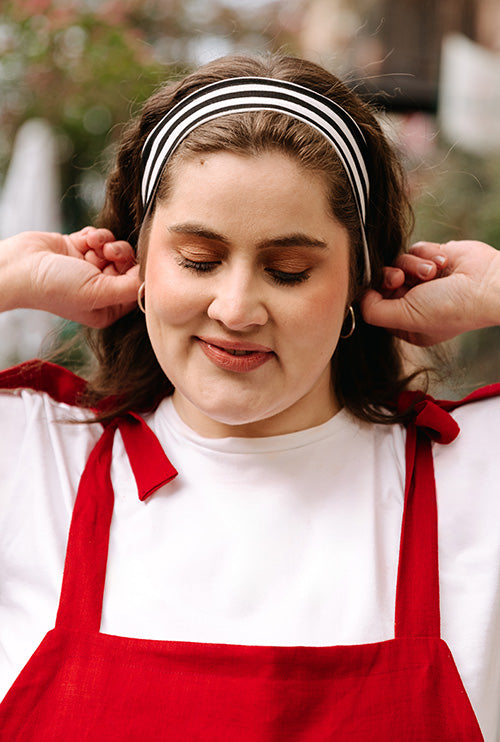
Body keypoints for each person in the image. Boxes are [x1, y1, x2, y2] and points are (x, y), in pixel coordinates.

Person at [0, 54, 499, 740]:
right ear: (138, 259)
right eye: (198, 261)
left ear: (360, 275)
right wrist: (7, 276)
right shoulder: (32, 458)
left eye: (289, 271)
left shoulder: (474, 477)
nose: (236, 309)